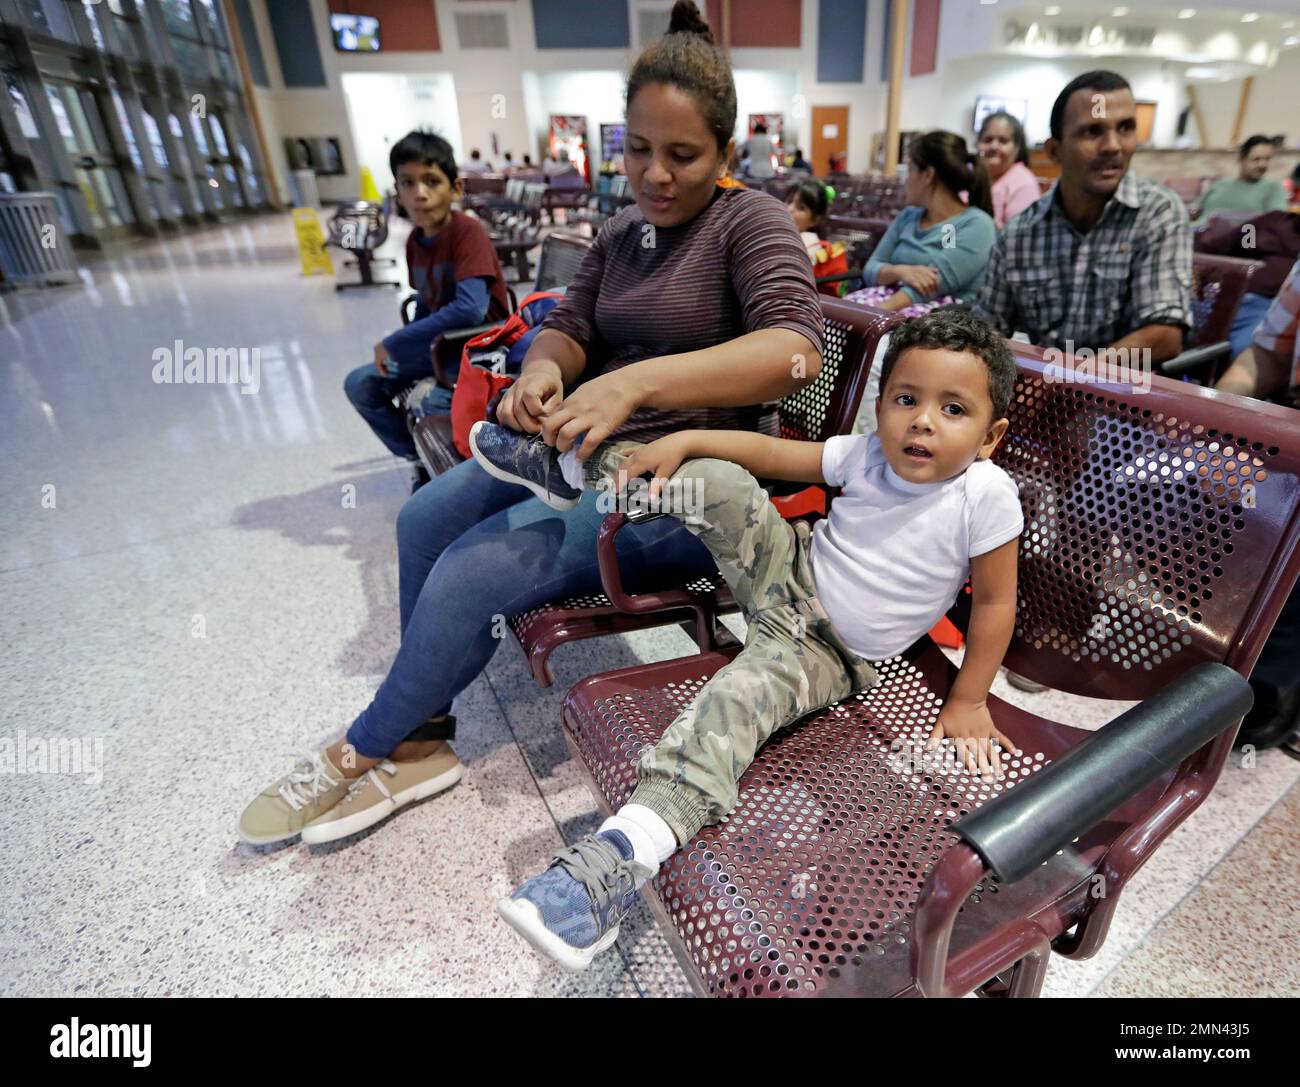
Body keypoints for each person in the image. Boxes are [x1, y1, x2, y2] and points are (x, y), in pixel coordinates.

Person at [238, 0, 827, 847]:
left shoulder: (751, 222)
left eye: (683, 155)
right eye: (639, 150)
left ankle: (363, 744)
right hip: (584, 454)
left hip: (684, 488)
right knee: (422, 518)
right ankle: (422, 736)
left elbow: (796, 351)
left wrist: (636, 384)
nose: (655, 175)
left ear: (727, 154)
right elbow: (568, 325)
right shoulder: (623, 232)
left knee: (473, 568)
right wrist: (544, 371)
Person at [473, 308, 1026, 971]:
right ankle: (567, 464)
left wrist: (969, 699)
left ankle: (622, 855)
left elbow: (995, 603)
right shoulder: (871, 451)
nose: (923, 421)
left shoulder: (985, 494)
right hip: (787, 567)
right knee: (724, 482)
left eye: (953, 409)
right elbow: (771, 456)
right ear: (882, 406)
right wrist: (687, 440)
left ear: (990, 436)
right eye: (906, 399)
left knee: (737, 699)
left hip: (825, 649)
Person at [976, 70, 1192, 366]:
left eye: (1125, 128)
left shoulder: (1158, 213)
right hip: (1044, 386)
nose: (1113, 145)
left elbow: (1165, 335)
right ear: (1055, 150)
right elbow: (988, 330)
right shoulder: (1019, 234)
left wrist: (1074, 379)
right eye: (1093, 131)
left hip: (1127, 390)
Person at [343, 131, 510, 492]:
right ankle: (419, 458)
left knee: (425, 399)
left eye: (432, 181)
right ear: (397, 192)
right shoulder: (415, 241)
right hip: (440, 351)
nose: (420, 193)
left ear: (455, 188)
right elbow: (425, 300)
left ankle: (459, 481)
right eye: (408, 183)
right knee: (360, 384)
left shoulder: (467, 232)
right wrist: (406, 349)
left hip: (480, 353)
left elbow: (470, 309)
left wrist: (396, 341)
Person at [843, 130, 996, 316]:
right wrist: (901, 272)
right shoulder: (908, 216)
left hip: (934, 320)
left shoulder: (962, 226)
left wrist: (870, 317)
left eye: (910, 169)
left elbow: (931, 284)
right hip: (884, 304)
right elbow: (872, 268)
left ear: (928, 175)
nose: (905, 179)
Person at [1196, 209, 1300, 357]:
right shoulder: (1273, 222)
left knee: (1245, 349)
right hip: (1229, 299)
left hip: (1269, 308)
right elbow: (1218, 246)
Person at [1194, 136, 1288, 225]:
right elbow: (1195, 211)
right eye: (1256, 159)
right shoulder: (1220, 184)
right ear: (1241, 159)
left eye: (1267, 159)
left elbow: (1276, 223)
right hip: (1198, 232)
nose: (1262, 165)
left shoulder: (1272, 188)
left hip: (1242, 235)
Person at [977, 110, 1040, 228]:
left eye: (1003, 140)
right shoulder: (970, 173)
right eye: (988, 139)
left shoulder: (1024, 183)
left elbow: (1019, 234)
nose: (994, 146)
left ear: (1017, 148)